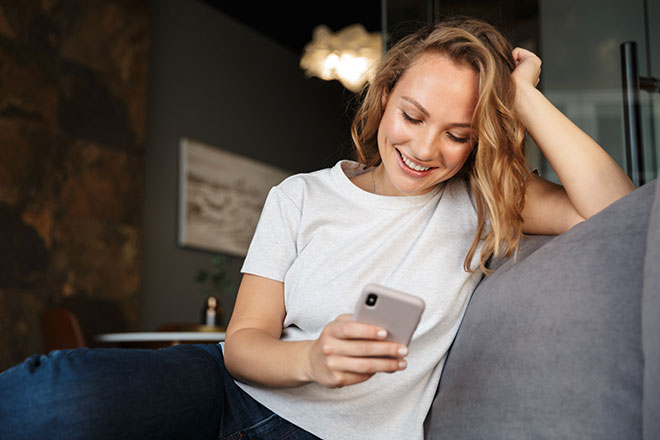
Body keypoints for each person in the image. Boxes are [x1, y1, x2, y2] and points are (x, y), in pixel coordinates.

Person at [0, 17, 634, 440]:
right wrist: (312, 359)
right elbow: (244, 344)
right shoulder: (299, 195)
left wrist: (522, 96)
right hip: (226, 391)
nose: (424, 146)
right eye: (412, 115)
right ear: (385, 96)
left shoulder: (483, 201)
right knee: (52, 400)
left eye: (458, 133)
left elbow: (617, 208)